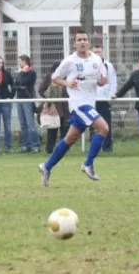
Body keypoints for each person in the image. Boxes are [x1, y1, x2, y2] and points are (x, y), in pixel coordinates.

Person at [38, 29, 109, 187]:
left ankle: (46, 166)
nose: (82, 42)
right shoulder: (70, 61)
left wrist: (101, 82)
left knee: (70, 139)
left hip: (90, 103)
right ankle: (88, 164)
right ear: (75, 43)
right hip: (78, 104)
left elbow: (99, 79)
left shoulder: (97, 60)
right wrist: (68, 83)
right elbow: (54, 77)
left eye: (85, 39)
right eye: (79, 40)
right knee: (104, 128)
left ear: (88, 41)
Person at [15, 54, 40, 153]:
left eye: (20, 61)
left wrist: (22, 74)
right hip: (19, 99)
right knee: (23, 124)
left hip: (27, 99)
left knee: (30, 124)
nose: (18, 63)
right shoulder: (21, 72)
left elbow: (23, 82)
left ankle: (36, 145)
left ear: (25, 61)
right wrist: (20, 81)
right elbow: (16, 84)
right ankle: (25, 145)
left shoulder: (31, 72)